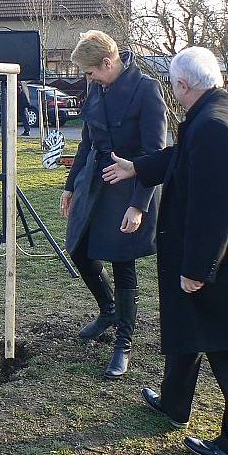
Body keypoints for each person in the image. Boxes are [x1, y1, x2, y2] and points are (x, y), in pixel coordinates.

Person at [103, 46, 228, 455]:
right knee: (187, 328)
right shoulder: (221, 111)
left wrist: (197, 270)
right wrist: (139, 168)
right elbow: (182, 156)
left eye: (175, 88)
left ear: (184, 85)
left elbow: (215, 207)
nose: (175, 94)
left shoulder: (215, 126)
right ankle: (174, 404)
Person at [60, 30, 167, 378]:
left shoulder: (147, 90)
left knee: (123, 261)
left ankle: (124, 341)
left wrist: (139, 205)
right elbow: (87, 139)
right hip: (95, 180)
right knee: (79, 249)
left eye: (90, 72)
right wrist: (71, 185)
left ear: (107, 63)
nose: (87, 79)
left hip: (133, 184)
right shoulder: (97, 88)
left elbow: (154, 154)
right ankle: (108, 309)